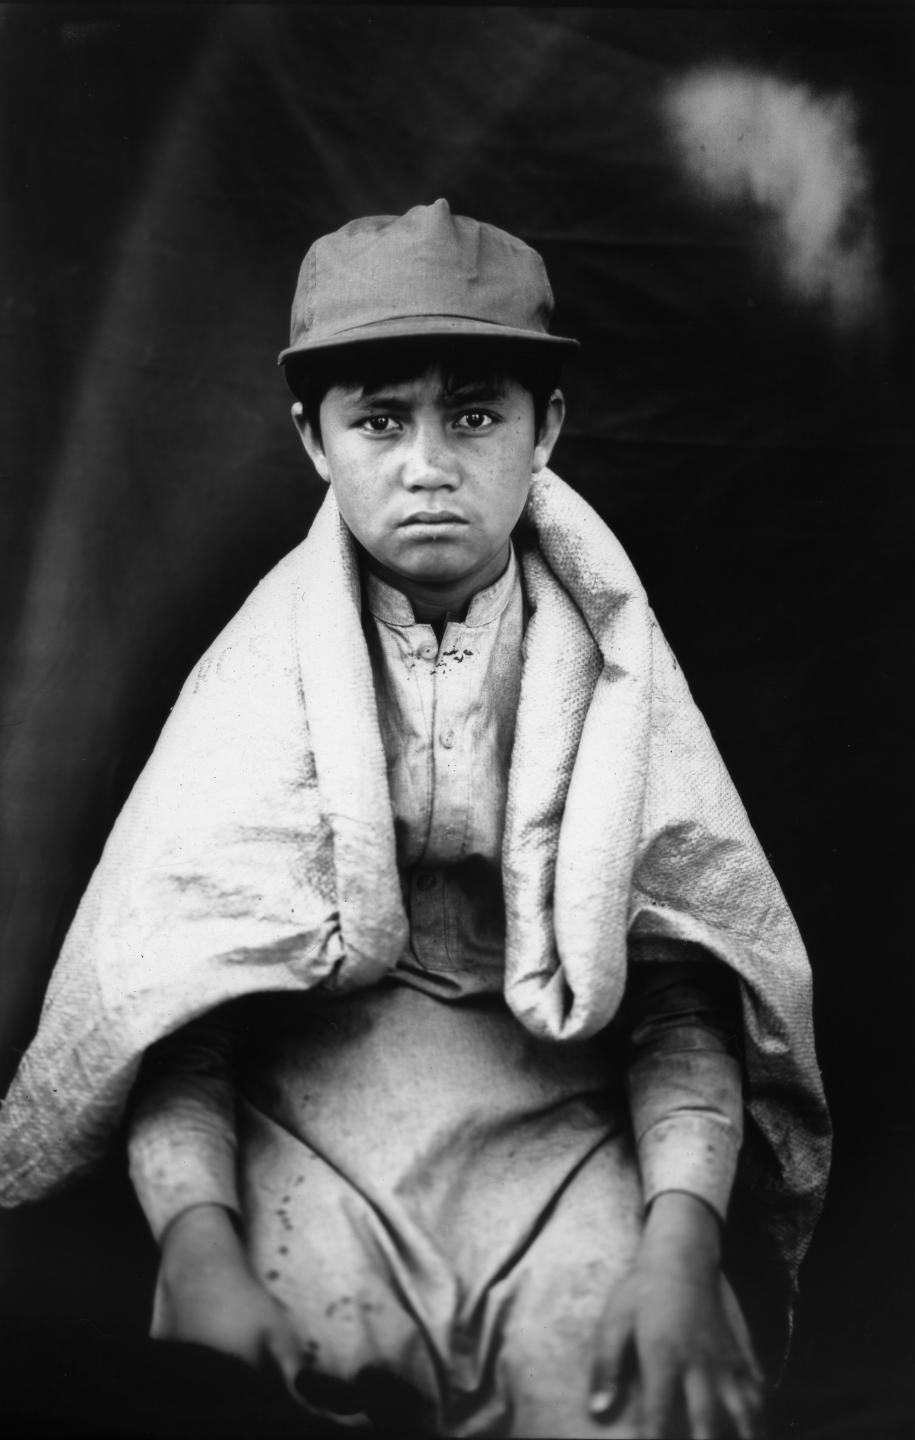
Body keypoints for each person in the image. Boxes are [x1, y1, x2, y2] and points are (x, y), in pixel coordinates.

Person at [0, 200, 830, 1438]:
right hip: (306, 1148)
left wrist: (676, 1250)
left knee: (649, 1406)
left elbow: (682, 995)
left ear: (548, 425)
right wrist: (205, 1249)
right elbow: (176, 1011)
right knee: (257, 1403)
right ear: (311, 438)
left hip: (561, 1145)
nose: (428, 463)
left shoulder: (613, 669)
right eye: (380, 419)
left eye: (477, 414)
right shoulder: (256, 679)